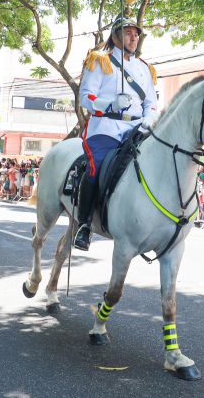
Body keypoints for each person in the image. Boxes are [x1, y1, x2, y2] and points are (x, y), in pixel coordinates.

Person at [74, 15, 158, 250]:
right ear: (116, 35)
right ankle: (84, 224)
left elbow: (151, 102)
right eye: (129, 32)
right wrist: (110, 103)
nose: (134, 37)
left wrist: (149, 118)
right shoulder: (100, 61)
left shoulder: (144, 68)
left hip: (137, 128)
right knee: (96, 166)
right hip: (107, 127)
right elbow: (86, 97)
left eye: (136, 33)